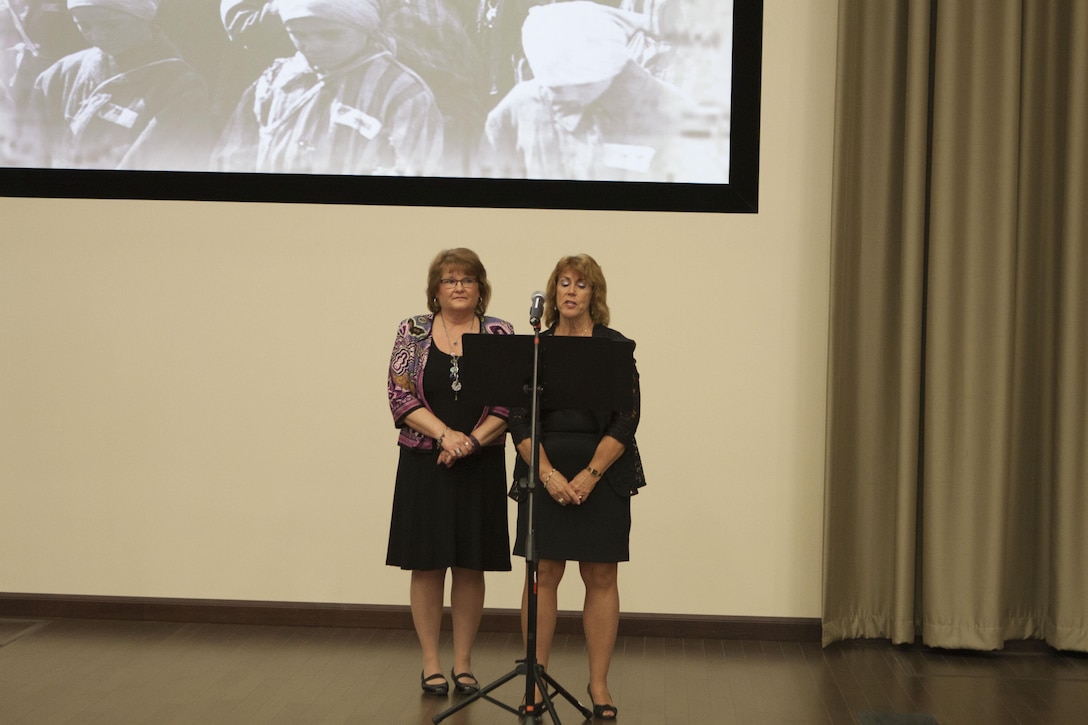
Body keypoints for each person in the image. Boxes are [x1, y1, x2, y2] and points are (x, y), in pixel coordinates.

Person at [508, 253, 645, 721]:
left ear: (594, 295)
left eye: (580, 285)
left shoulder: (615, 346)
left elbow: (627, 419)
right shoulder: (536, 348)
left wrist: (588, 475)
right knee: (542, 575)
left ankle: (599, 684)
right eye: (562, 283)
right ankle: (536, 677)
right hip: (544, 467)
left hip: (601, 469)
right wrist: (546, 474)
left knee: (601, 576)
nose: (570, 291)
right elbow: (518, 418)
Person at [385, 247, 514, 697]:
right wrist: (446, 436)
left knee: (469, 564)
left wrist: (471, 442)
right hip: (425, 462)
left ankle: (462, 664)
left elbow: (508, 402)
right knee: (426, 565)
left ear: (481, 289)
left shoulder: (500, 332)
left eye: (467, 279)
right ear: (435, 290)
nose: (459, 287)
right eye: (449, 280)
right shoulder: (413, 330)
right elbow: (400, 397)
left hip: (479, 464)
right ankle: (430, 663)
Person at [482, 0, 717, 182]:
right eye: (553, 87)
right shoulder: (516, 109)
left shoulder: (679, 116)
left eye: (580, 84)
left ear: (609, 67)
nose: (565, 97)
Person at [212, 0, 445, 175]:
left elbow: (412, 175)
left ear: (365, 27)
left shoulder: (402, 94)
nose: (313, 46)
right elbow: (231, 159)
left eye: (331, 35)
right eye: (299, 34)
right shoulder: (273, 83)